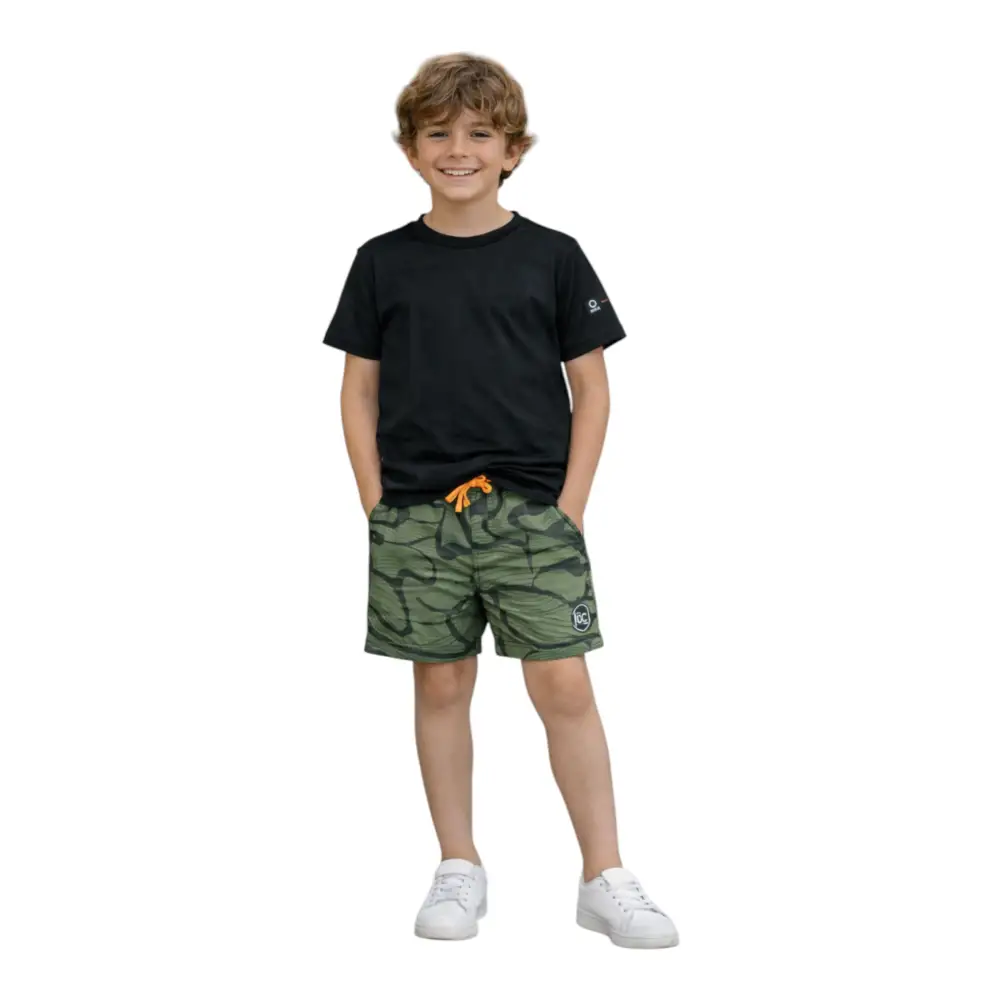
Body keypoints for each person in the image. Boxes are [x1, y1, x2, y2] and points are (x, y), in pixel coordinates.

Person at [322, 52, 679, 950]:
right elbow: (357, 391)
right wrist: (377, 505)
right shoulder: (381, 262)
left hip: (531, 511)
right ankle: (459, 864)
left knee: (562, 682)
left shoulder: (553, 256)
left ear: (512, 150)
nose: (459, 149)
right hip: (417, 514)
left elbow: (591, 389)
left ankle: (604, 875)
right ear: (410, 150)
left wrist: (570, 508)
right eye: (438, 133)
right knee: (441, 682)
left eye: (480, 133)